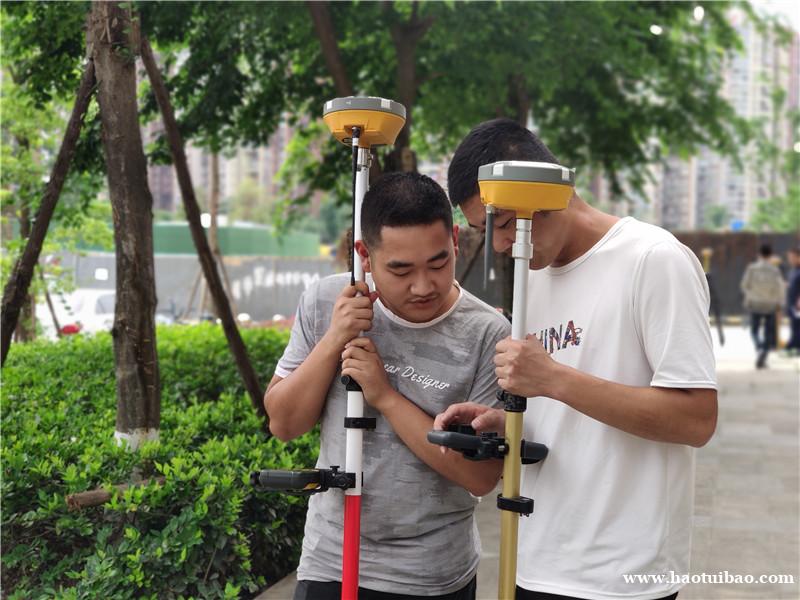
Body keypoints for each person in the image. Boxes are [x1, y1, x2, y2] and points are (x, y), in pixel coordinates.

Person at [436, 118, 718, 600]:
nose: (502, 245)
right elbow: (569, 405)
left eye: (504, 223)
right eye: (488, 230)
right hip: (536, 557)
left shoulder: (653, 260)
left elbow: (694, 419)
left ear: (549, 190)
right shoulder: (535, 275)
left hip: (622, 575)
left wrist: (552, 379)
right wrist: (504, 420)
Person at [265, 172, 509, 599]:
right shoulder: (328, 302)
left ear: (454, 239)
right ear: (364, 254)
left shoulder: (488, 332)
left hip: (432, 574)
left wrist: (385, 397)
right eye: (400, 269)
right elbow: (283, 424)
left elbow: (481, 476)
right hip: (331, 561)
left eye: (438, 263)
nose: (423, 285)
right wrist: (333, 339)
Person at [740, 243, 785, 368]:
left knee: (754, 330)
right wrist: (779, 302)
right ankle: (763, 353)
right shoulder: (775, 270)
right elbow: (779, 288)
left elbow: (744, 285)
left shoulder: (752, 268)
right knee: (769, 333)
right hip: (770, 305)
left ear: (759, 254)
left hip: (754, 303)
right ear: (771, 255)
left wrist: (750, 295)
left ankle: (759, 347)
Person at [783, 246, 800, 355]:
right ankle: (793, 346)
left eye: (793, 257)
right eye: (789, 257)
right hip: (792, 303)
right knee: (794, 325)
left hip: (798, 304)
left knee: (797, 326)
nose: (790, 259)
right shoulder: (793, 270)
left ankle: (793, 346)